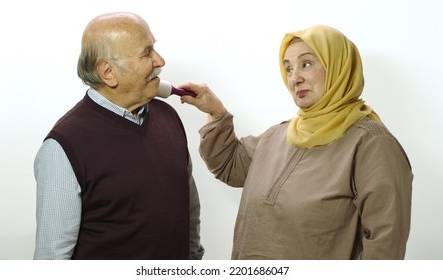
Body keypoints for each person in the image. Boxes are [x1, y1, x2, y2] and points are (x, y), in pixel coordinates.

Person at [180, 25, 412, 259]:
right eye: (288, 68)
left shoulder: (371, 143)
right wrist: (216, 113)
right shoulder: (279, 135)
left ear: (338, 67)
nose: (294, 78)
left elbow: (385, 247)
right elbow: (229, 165)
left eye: (307, 64)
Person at [33, 12, 204, 260]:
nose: (160, 60)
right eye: (147, 53)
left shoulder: (168, 117)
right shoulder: (62, 147)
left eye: (154, 48)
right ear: (108, 72)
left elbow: (188, 205)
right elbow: (51, 257)